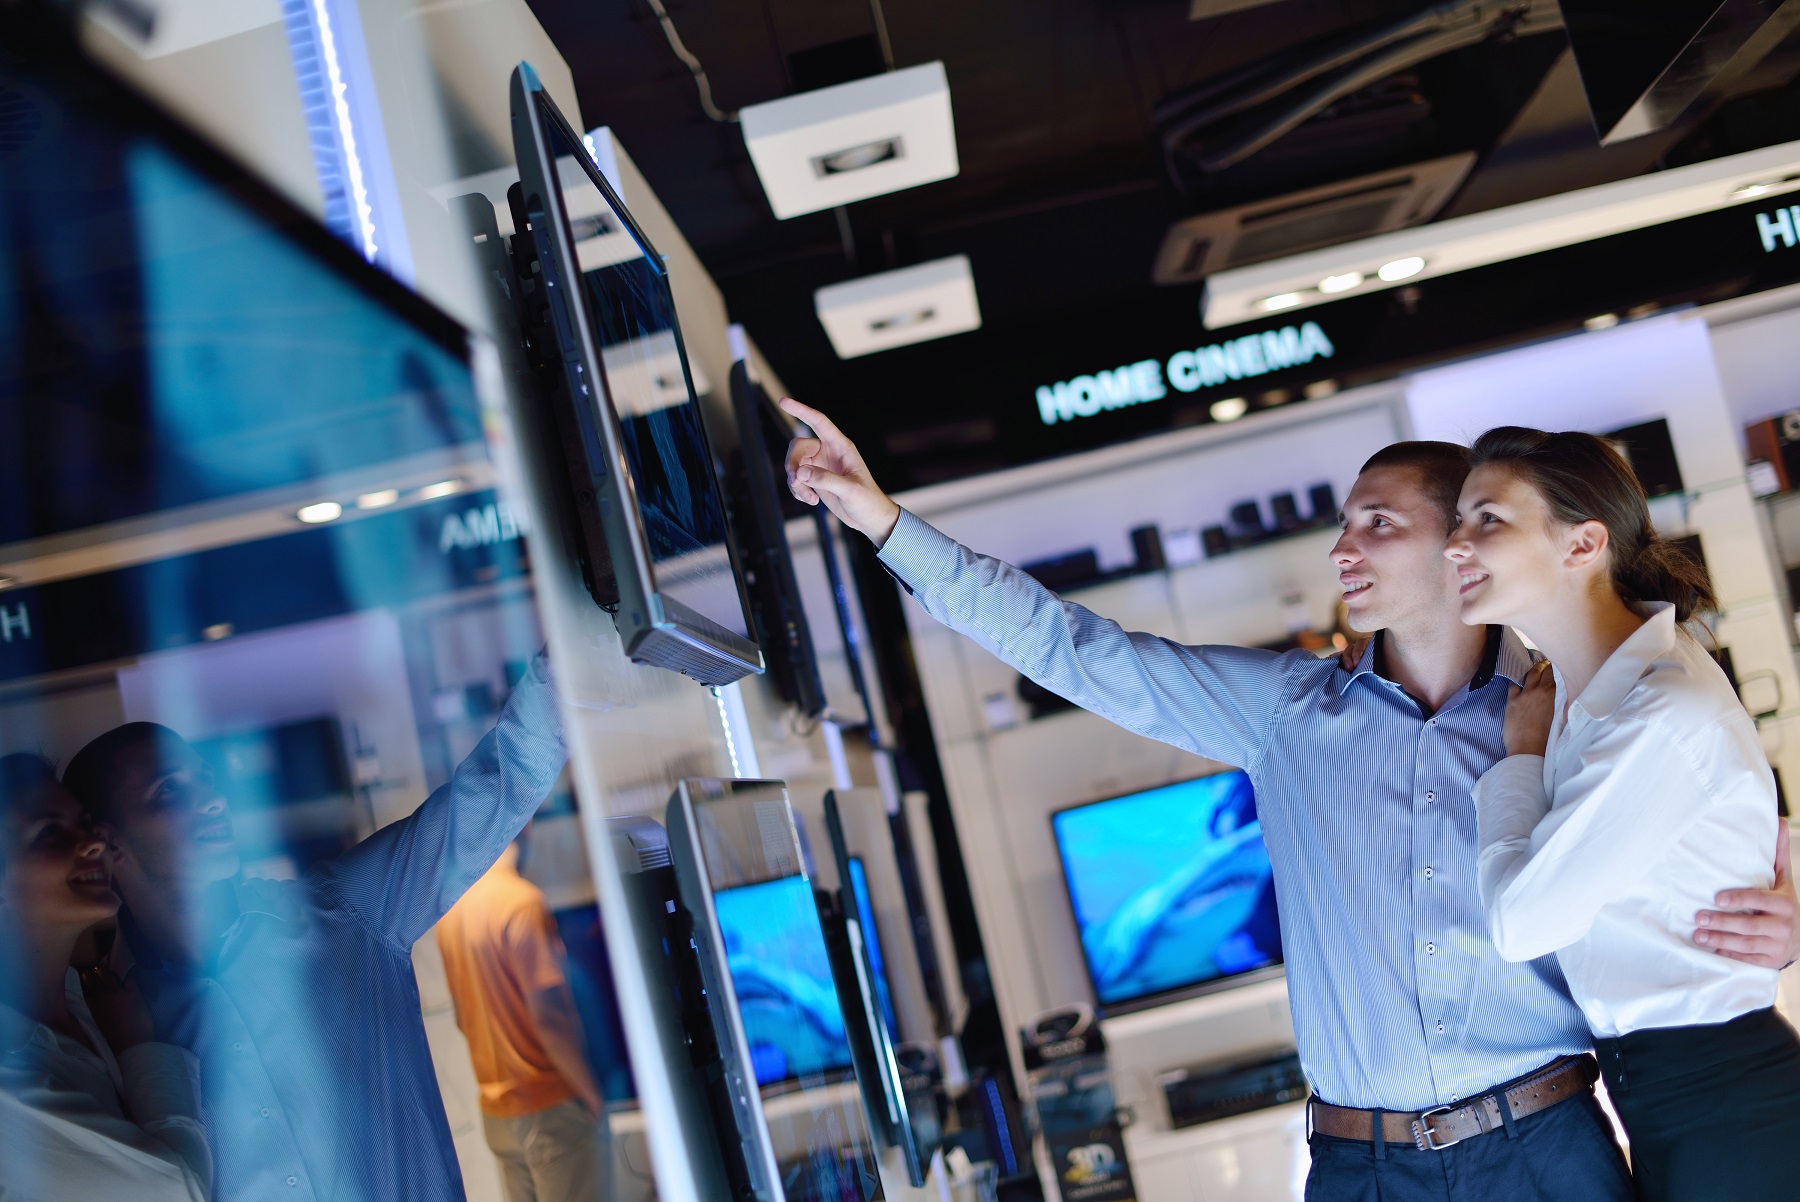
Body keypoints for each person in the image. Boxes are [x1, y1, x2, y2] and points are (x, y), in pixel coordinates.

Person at [776, 397, 1799, 1202]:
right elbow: (1072, 650)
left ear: (1460, 549)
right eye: (1344, 524)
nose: (1340, 548)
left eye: (1377, 523)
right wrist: (879, 518)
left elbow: (1702, 806)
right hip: (1362, 1165)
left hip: (1549, 1148)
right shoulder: (1284, 711)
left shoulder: (1564, 713)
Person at [57, 654, 568, 1202]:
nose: (212, 801)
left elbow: (501, 784)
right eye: (169, 792)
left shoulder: (348, 910)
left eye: (205, 780)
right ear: (107, 843)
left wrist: (567, 651)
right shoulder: (117, 1028)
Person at [1447, 426, 1800, 1201]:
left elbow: (1522, 923)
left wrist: (1519, 765)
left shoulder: (1653, 708)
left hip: (1725, 1101)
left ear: (1583, 544)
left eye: (1488, 521)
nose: (1456, 546)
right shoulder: (1588, 688)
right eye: (1458, 522)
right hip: (1677, 1095)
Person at [0, 752, 211, 1202]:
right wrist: (141, 1050)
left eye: (85, 822)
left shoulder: (87, 1003)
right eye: (50, 833)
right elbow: (176, 1190)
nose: (93, 841)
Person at [436, 833, 610, 1202]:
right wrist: (592, 1094)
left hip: (498, 1114)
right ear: (525, 824)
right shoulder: (520, 902)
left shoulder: (452, 908)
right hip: (549, 1108)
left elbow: (463, 1019)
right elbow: (549, 1018)